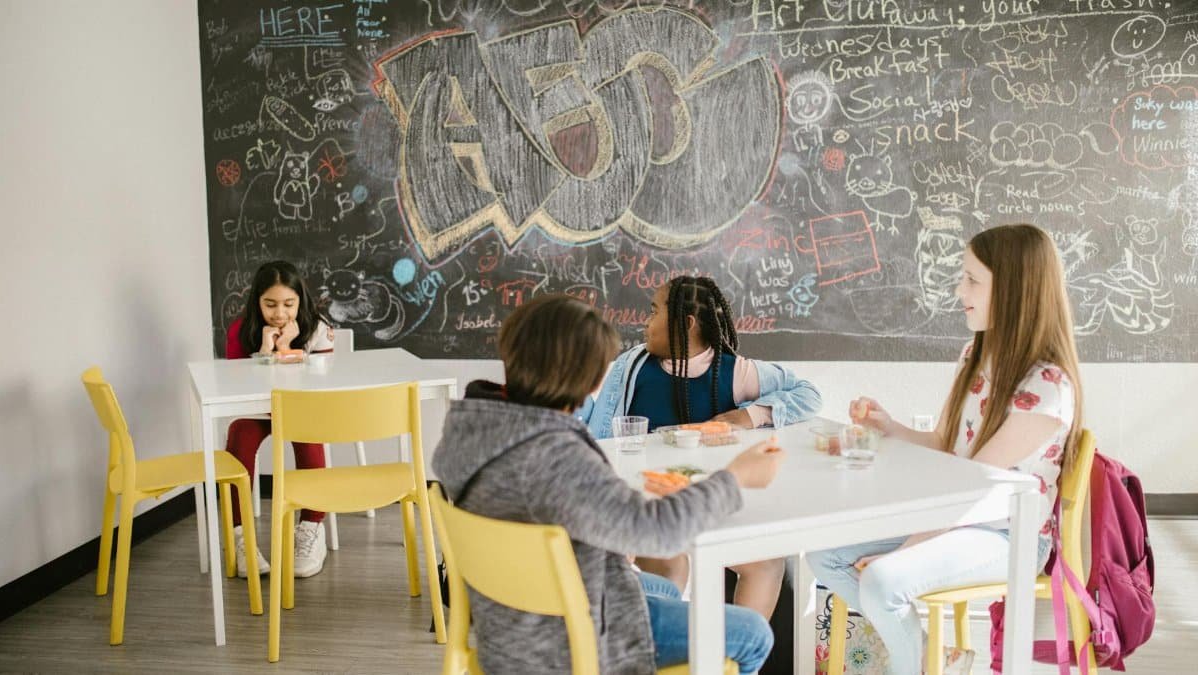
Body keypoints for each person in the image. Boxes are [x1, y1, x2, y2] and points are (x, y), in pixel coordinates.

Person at [433, 294, 783, 674]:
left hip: (508, 628)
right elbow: (656, 533)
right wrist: (736, 477)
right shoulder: (556, 455)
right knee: (752, 633)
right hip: (572, 638)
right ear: (593, 377)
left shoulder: (473, 430)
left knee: (663, 589)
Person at [807, 224, 1084, 674]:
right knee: (824, 553)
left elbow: (972, 488)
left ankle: (920, 662)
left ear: (1014, 290)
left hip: (1009, 535)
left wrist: (903, 550)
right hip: (958, 515)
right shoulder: (975, 355)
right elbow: (945, 446)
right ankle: (929, 658)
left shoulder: (1048, 387)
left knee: (881, 580)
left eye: (973, 280)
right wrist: (890, 427)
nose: (959, 290)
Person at [581, 276, 822, 619]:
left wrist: (745, 416)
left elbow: (808, 395)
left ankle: (732, 663)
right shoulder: (629, 368)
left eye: (653, 312)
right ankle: (667, 653)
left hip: (712, 506)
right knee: (668, 563)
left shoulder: (734, 372)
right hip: (648, 506)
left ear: (686, 324)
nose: (644, 323)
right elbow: (597, 432)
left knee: (767, 562)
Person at [225, 260, 335, 579]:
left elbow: (320, 387)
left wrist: (286, 348)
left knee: (309, 437)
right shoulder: (239, 331)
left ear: (300, 301)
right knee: (239, 439)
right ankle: (240, 536)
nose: (279, 314)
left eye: (289, 304)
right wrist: (263, 351)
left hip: (302, 408)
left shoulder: (318, 330)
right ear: (256, 302)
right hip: (257, 410)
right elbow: (236, 388)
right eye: (270, 304)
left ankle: (312, 526)